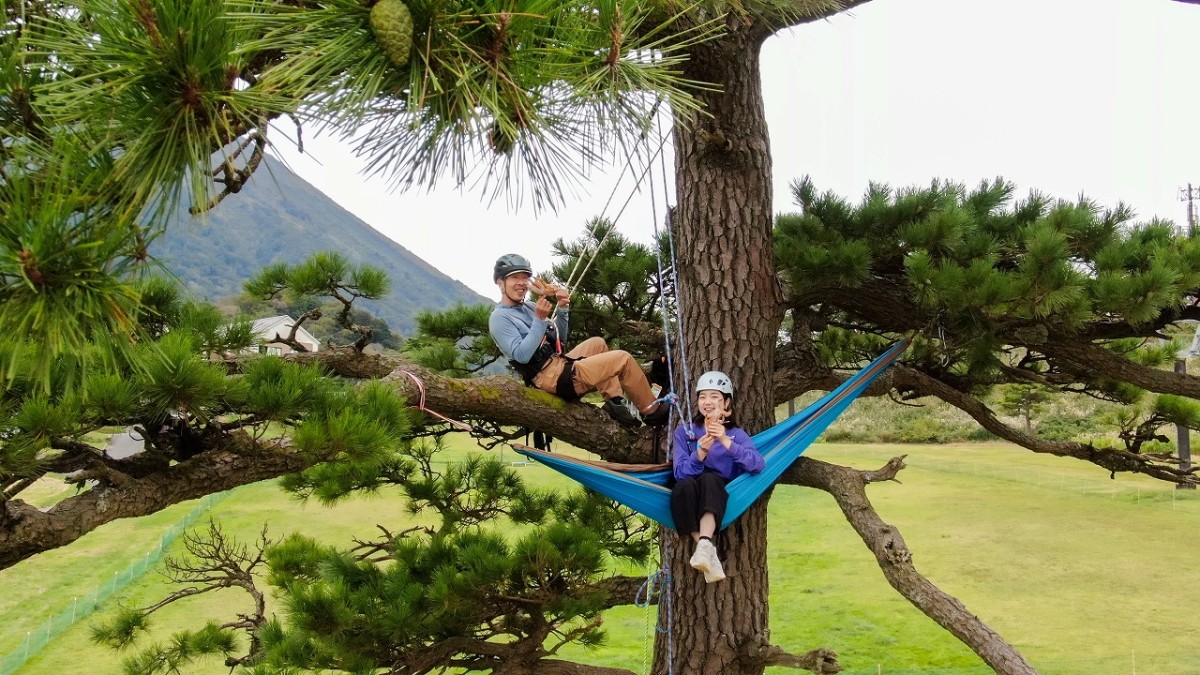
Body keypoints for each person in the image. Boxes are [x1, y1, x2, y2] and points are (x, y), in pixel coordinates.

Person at [488, 253, 670, 428]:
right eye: (514, 278)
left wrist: (562, 308)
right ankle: (652, 412)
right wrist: (539, 319)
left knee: (598, 343)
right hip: (548, 379)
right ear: (500, 282)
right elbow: (522, 356)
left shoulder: (529, 307)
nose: (521, 283)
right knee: (622, 359)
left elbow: (560, 339)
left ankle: (615, 403)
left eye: (525, 277)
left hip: (557, 363)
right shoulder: (499, 318)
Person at [670, 371, 764, 583]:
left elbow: (757, 465)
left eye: (715, 397)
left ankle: (704, 546)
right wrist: (700, 453)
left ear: (727, 402)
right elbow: (680, 472)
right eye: (703, 396)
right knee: (682, 487)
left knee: (709, 479)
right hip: (689, 493)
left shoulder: (736, 435)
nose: (707, 402)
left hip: (719, 492)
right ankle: (706, 549)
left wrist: (724, 440)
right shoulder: (685, 433)